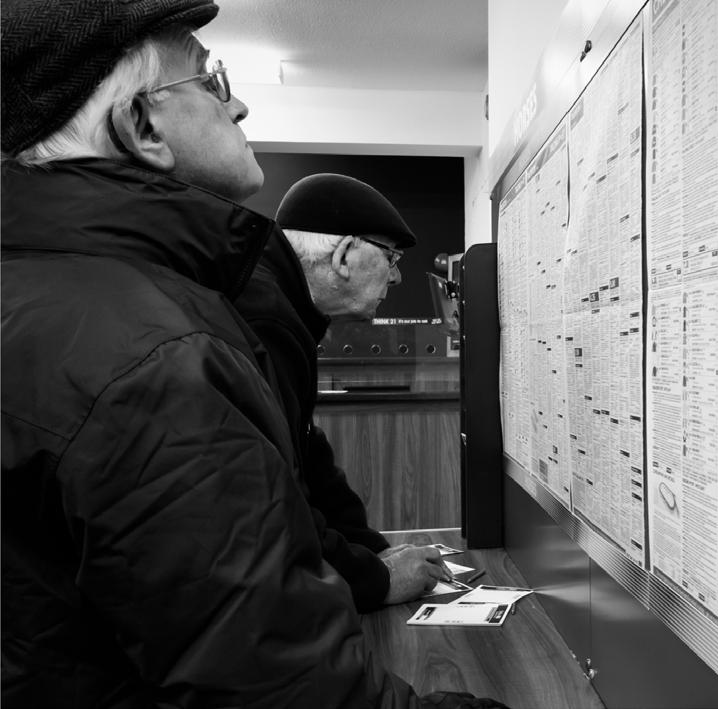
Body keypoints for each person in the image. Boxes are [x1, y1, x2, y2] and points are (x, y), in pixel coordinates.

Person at [0, 2, 505, 707]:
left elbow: (297, 471)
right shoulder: (158, 352)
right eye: (210, 82)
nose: (237, 106)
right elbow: (279, 685)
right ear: (142, 126)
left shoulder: (64, 296)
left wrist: (367, 559)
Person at [235, 173, 452, 611]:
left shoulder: (281, 306)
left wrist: (372, 551)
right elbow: (273, 504)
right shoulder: (263, 321)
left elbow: (306, 452)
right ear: (344, 255)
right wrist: (377, 579)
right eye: (390, 257)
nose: (396, 277)